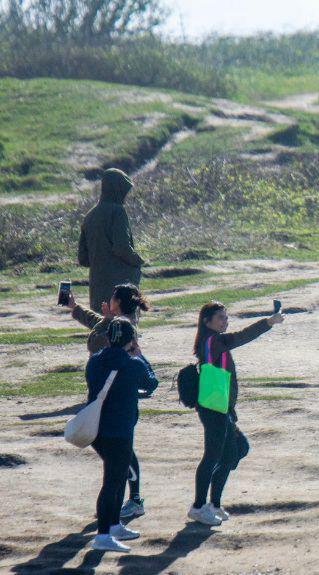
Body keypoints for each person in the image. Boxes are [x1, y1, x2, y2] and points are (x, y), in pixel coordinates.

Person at [63, 283, 155, 521]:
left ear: (118, 302)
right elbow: (99, 323)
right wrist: (76, 308)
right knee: (120, 455)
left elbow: (96, 340)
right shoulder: (121, 322)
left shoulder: (121, 326)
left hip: (116, 403)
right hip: (117, 401)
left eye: (112, 297)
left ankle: (132, 501)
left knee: (122, 458)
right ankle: (123, 505)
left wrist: (103, 320)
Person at [189, 301, 284, 526]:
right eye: (221, 317)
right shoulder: (213, 341)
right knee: (212, 456)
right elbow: (241, 336)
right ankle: (198, 507)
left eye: (226, 317)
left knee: (236, 451)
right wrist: (268, 322)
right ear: (207, 321)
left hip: (221, 407)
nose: (225, 320)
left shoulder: (211, 340)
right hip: (213, 408)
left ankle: (214, 504)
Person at [85, 318, 159, 553]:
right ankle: (103, 535)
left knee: (114, 479)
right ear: (132, 340)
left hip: (98, 431)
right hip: (120, 432)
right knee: (112, 483)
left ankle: (114, 525)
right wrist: (139, 355)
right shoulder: (132, 364)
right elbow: (151, 383)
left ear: (107, 338)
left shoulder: (95, 362)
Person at [78, 168, 145, 313]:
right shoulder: (117, 211)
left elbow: (83, 259)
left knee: (100, 327)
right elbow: (121, 248)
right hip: (120, 290)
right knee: (124, 330)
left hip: (97, 287)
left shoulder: (89, 216)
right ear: (117, 189)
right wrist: (138, 261)